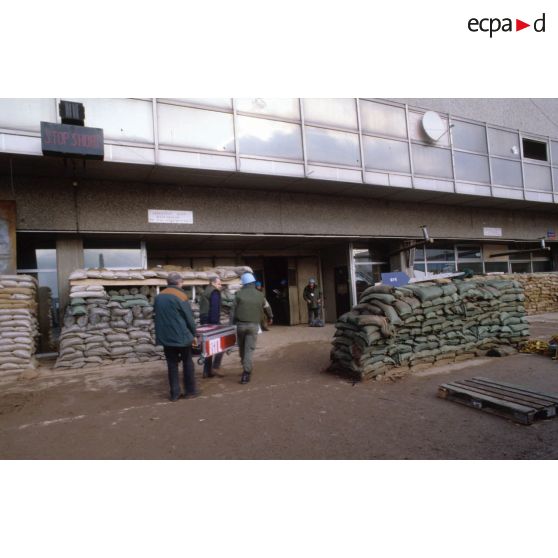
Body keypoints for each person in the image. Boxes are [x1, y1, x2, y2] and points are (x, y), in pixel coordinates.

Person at [153, 272, 199, 401]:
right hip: (182, 337)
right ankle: (190, 391)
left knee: (172, 364)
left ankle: (174, 393)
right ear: (179, 282)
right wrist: (194, 333)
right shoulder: (181, 295)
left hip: (166, 337)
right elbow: (188, 317)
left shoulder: (158, 297)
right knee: (187, 363)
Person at [231, 272, 266, 384]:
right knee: (249, 350)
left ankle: (244, 366)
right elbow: (265, 307)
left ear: (243, 283)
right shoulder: (260, 295)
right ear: (253, 282)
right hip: (253, 326)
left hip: (240, 326)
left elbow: (232, 311)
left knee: (242, 348)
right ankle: (246, 373)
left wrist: (231, 325)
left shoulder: (238, 294)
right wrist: (270, 317)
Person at [199, 276, 224, 378]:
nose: (220, 286)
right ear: (213, 283)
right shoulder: (214, 292)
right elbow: (214, 308)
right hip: (212, 320)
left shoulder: (206, 291)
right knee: (222, 343)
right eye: (219, 284)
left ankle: (206, 371)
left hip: (204, 319)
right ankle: (215, 367)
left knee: (208, 346)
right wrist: (215, 324)